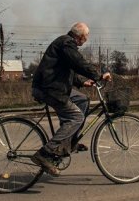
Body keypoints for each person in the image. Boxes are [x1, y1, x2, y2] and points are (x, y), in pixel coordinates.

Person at [31, 22, 111, 176]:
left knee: (82, 100)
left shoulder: (65, 44)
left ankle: (68, 143)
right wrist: (98, 75)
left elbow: (65, 70)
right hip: (49, 89)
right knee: (76, 117)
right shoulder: (67, 43)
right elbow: (78, 62)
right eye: (85, 38)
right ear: (79, 36)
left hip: (54, 86)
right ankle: (45, 153)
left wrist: (82, 82)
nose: (85, 41)